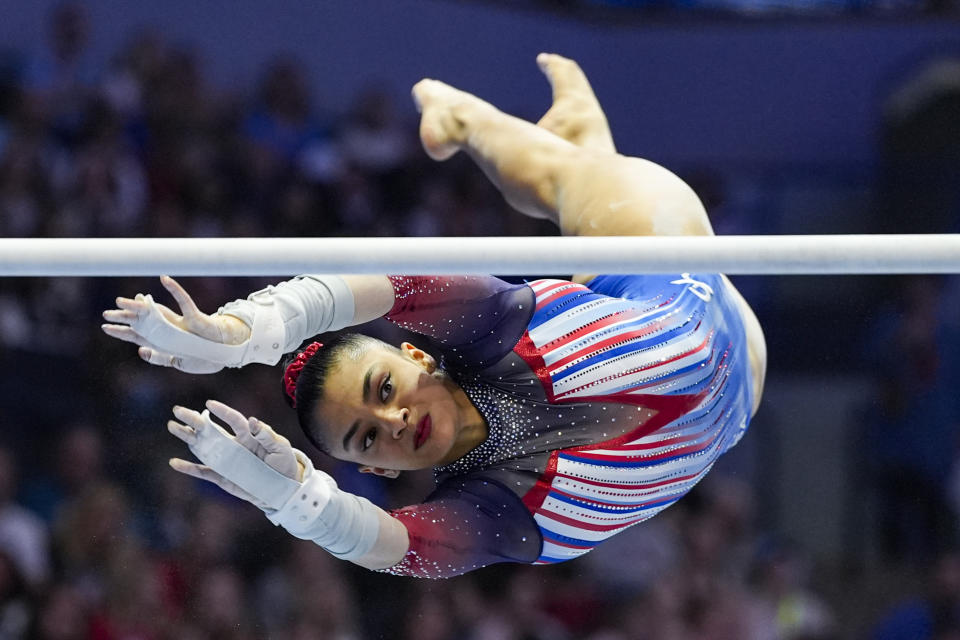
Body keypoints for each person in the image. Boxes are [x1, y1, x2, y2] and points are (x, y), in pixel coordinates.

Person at [101, 54, 767, 578]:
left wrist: (238, 335)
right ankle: (581, 142)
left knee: (591, 186)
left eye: (382, 388)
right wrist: (293, 501)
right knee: (594, 179)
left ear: (416, 355)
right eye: (366, 440)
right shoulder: (488, 514)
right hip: (745, 381)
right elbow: (385, 544)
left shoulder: (485, 331)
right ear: (382, 472)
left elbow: (378, 285)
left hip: (670, 275)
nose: (391, 422)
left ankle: (466, 119)